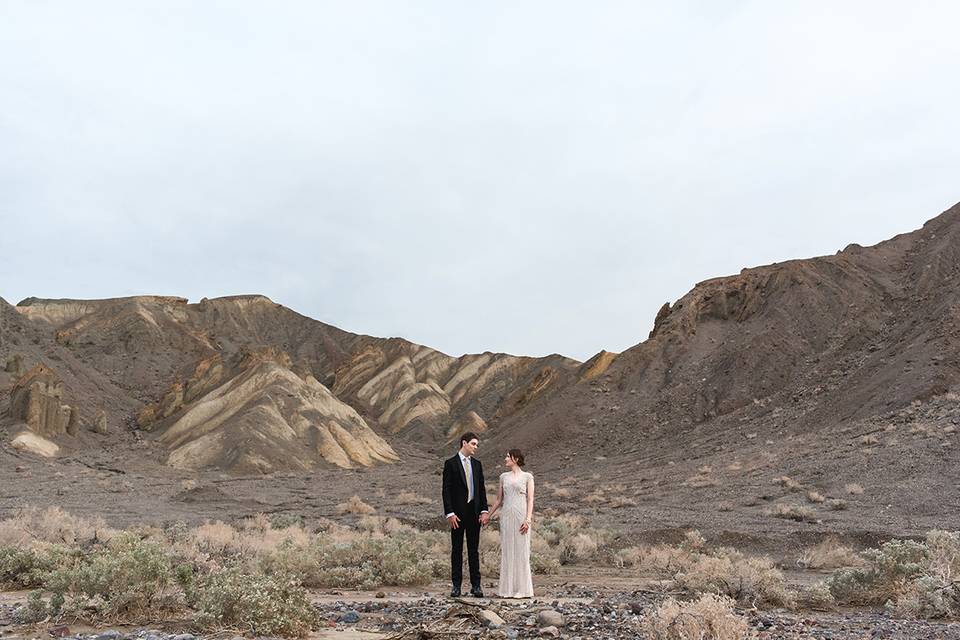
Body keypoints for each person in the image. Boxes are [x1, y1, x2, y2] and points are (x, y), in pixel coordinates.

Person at [441, 432, 489, 597]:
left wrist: (484, 511)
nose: (476, 447)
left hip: (474, 513)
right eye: (474, 444)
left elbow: (481, 489)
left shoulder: (477, 464)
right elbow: (446, 490)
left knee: (473, 550)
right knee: (457, 550)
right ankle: (456, 586)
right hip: (457, 515)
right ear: (464, 443)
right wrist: (450, 513)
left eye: (476, 444)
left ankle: (476, 586)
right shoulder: (451, 464)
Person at [486, 448, 535, 598]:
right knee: (508, 551)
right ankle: (507, 589)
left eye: (508, 457)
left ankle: (522, 590)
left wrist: (528, 519)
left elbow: (530, 499)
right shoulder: (503, 477)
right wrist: (488, 515)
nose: (505, 459)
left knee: (521, 551)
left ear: (516, 459)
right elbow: (499, 500)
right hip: (506, 516)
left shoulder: (527, 477)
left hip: (521, 516)